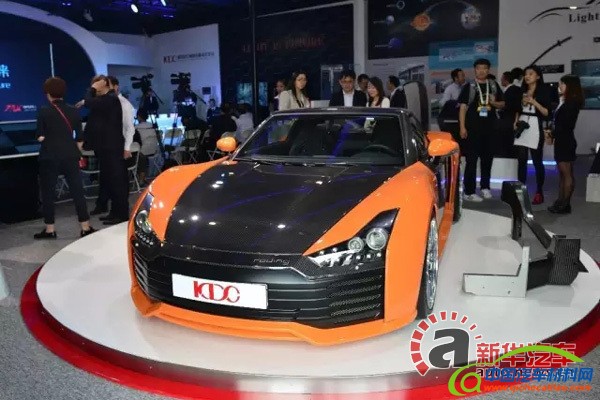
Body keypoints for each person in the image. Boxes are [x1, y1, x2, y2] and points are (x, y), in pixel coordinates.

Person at [34, 77, 96, 239]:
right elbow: (80, 138)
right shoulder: (73, 110)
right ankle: (85, 227)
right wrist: (75, 150)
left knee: (48, 193)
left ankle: (50, 229)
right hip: (70, 155)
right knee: (77, 191)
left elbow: (39, 136)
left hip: (49, 156)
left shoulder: (44, 111)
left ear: (48, 93)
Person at [81, 75, 129, 224]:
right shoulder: (105, 100)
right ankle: (114, 212)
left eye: (96, 85)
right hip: (106, 147)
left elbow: (88, 102)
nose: (94, 89)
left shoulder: (111, 99)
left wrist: (92, 89)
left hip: (112, 147)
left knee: (117, 181)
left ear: (103, 84)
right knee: (111, 181)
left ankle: (121, 214)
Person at [458, 58, 505, 202]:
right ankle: (469, 191)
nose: (481, 71)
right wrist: (462, 127)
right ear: (475, 70)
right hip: (473, 130)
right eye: (479, 68)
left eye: (484, 68)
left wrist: (493, 102)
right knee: (471, 161)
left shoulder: (493, 85)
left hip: (490, 129)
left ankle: (485, 187)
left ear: (488, 70)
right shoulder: (469, 86)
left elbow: (502, 104)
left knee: (487, 160)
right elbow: (463, 108)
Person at [513, 65, 551, 205]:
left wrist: (534, 102)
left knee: (537, 161)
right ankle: (520, 191)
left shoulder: (544, 91)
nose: (527, 76)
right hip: (522, 124)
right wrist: (515, 121)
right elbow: (517, 109)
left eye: (531, 74)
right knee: (521, 160)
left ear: (538, 76)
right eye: (526, 74)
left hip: (535, 125)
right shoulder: (521, 91)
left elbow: (547, 112)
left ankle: (539, 191)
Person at [547, 75, 584, 214]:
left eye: (562, 84)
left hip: (565, 141)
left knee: (566, 173)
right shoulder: (565, 101)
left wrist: (552, 134)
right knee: (563, 173)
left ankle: (565, 203)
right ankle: (561, 201)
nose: (559, 87)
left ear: (570, 86)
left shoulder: (571, 104)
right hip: (562, 140)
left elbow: (565, 125)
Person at [135, 110, 159, 184]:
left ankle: (139, 178)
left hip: (142, 152)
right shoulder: (153, 126)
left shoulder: (136, 128)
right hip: (154, 151)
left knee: (135, 154)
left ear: (138, 117)